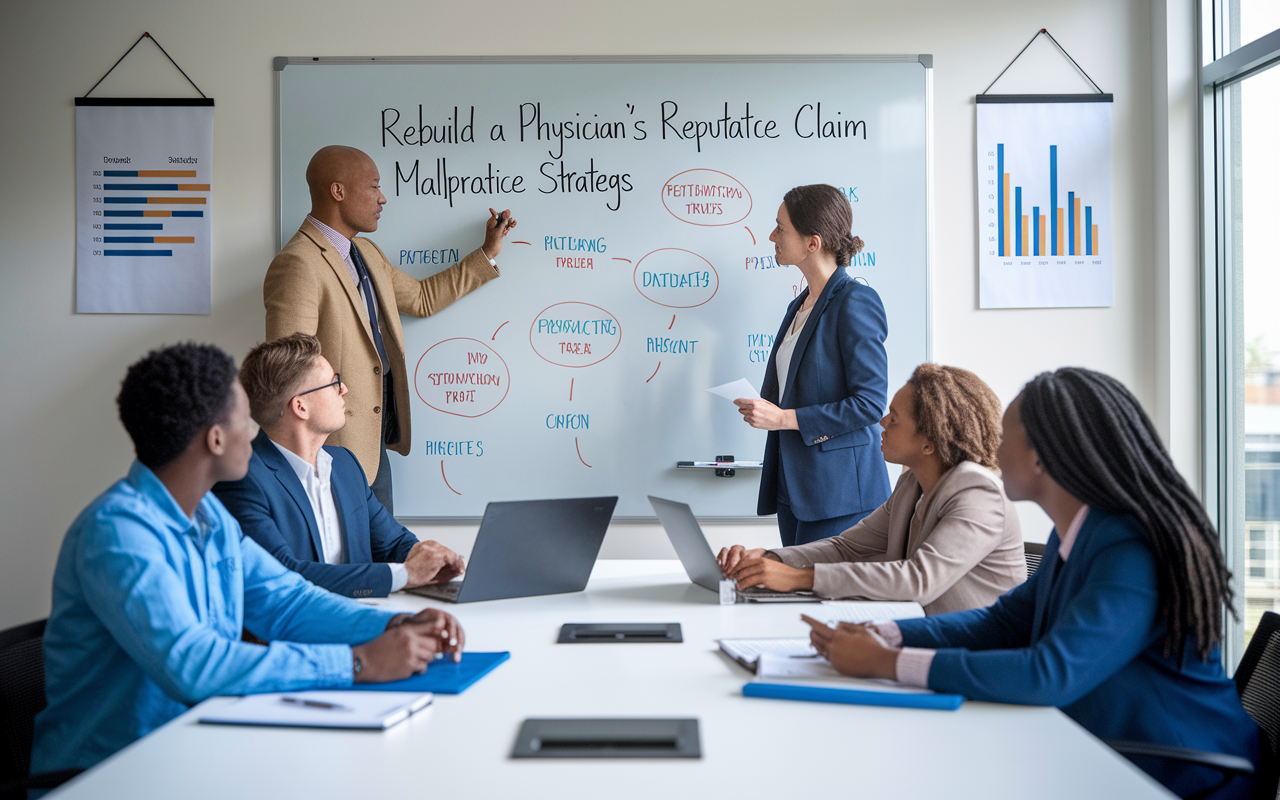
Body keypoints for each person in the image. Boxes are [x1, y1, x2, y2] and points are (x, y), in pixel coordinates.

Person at [803, 367, 1259, 799]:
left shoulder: (1132, 549)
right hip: (1095, 746)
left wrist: (890, 664)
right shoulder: (1080, 534)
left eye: (1005, 437)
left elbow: (1049, 673)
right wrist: (889, 634)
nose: (993, 449)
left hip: (1183, 773)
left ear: (1039, 459)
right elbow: (1003, 624)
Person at [31, 343, 465, 778]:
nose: (255, 435)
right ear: (216, 439)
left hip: (196, 749)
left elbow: (285, 601)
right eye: (245, 422)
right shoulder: (118, 533)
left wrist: (391, 626)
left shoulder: (209, 518)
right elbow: (193, 664)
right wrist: (358, 662)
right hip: (112, 775)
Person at [265, 144, 517, 514]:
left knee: (380, 548)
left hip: (373, 438)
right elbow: (287, 372)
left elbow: (422, 298)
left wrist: (487, 252)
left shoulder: (366, 253)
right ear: (338, 192)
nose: (382, 198)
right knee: (350, 557)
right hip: (331, 447)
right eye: (373, 187)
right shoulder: (298, 264)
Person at [718, 364, 1025, 612]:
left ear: (929, 441)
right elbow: (846, 547)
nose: (881, 421)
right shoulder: (912, 483)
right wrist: (770, 559)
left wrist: (800, 578)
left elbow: (918, 579)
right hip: (919, 632)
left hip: (973, 653)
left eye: (895, 419)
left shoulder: (978, 493)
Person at [214, 333, 464, 598]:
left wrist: (431, 558)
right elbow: (284, 575)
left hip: (368, 618)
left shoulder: (345, 464)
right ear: (300, 406)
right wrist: (405, 574)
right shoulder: (240, 478)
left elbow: (392, 542)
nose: (343, 389)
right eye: (333, 382)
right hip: (301, 631)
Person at [734, 184, 891, 546]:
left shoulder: (856, 302)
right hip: (794, 484)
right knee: (793, 596)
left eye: (781, 228)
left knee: (821, 598)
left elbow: (869, 404)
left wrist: (783, 418)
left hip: (839, 494)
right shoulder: (799, 306)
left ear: (812, 242)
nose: (772, 235)